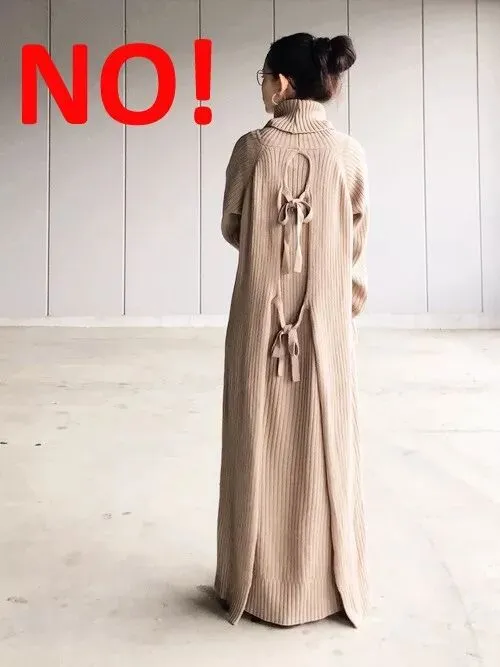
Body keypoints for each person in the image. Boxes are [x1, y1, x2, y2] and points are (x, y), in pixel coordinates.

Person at [214, 32, 370, 628]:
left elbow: (234, 226)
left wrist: (273, 251)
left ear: (281, 84)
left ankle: (253, 586)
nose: (261, 87)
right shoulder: (349, 154)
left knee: (255, 437)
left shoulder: (251, 149)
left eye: (263, 77)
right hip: (327, 322)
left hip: (260, 316)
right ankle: (326, 586)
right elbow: (355, 241)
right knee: (327, 443)